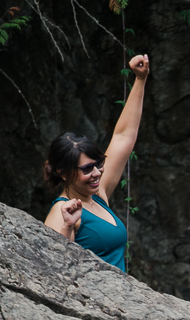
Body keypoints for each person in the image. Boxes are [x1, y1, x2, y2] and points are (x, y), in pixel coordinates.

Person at [42, 54, 150, 271]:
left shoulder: (97, 195)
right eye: (87, 169)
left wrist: (140, 80)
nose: (97, 173)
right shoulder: (61, 212)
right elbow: (55, 269)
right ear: (63, 172)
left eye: (98, 165)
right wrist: (68, 227)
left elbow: (123, 137)